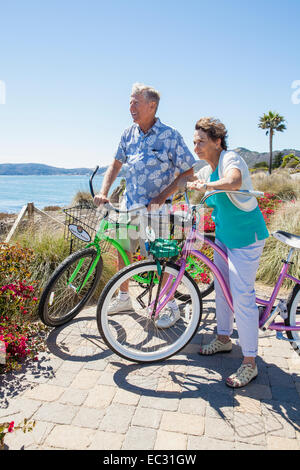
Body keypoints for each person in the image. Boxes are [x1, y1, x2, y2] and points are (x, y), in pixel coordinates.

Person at [94, 83, 196, 327]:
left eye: (135, 102)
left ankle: (170, 305)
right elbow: (115, 166)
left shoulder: (170, 135)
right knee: (123, 250)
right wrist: (103, 192)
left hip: (157, 211)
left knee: (160, 256)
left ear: (152, 105)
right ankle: (123, 297)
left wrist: (162, 196)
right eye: (130, 102)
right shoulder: (128, 133)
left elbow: (188, 172)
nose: (130, 107)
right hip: (129, 205)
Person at [187, 117, 269, 388]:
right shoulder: (206, 168)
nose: (196, 145)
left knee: (242, 296)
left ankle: (249, 363)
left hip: (246, 237)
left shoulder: (230, 158)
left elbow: (233, 182)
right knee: (221, 288)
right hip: (223, 236)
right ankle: (224, 338)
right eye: (194, 141)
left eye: (201, 141)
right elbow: (189, 180)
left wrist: (206, 187)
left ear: (217, 141)